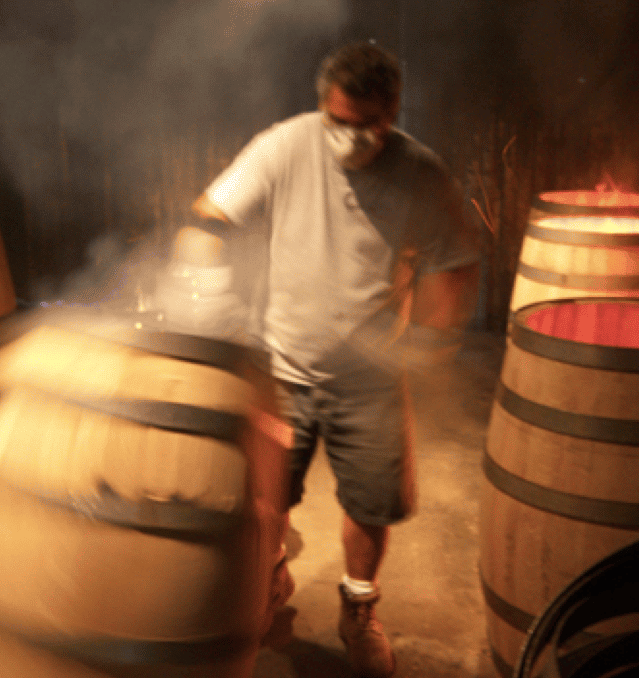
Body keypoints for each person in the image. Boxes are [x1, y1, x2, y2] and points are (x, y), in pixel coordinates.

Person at [181, 41, 479, 678]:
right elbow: (208, 218)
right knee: (267, 497)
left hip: (371, 378)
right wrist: (207, 295)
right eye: (339, 122)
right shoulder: (285, 147)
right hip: (283, 366)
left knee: (371, 506)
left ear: (391, 113)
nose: (352, 138)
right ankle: (269, 581)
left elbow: (455, 261)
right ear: (323, 107)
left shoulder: (420, 173)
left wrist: (435, 339)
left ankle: (359, 610)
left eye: (369, 125)